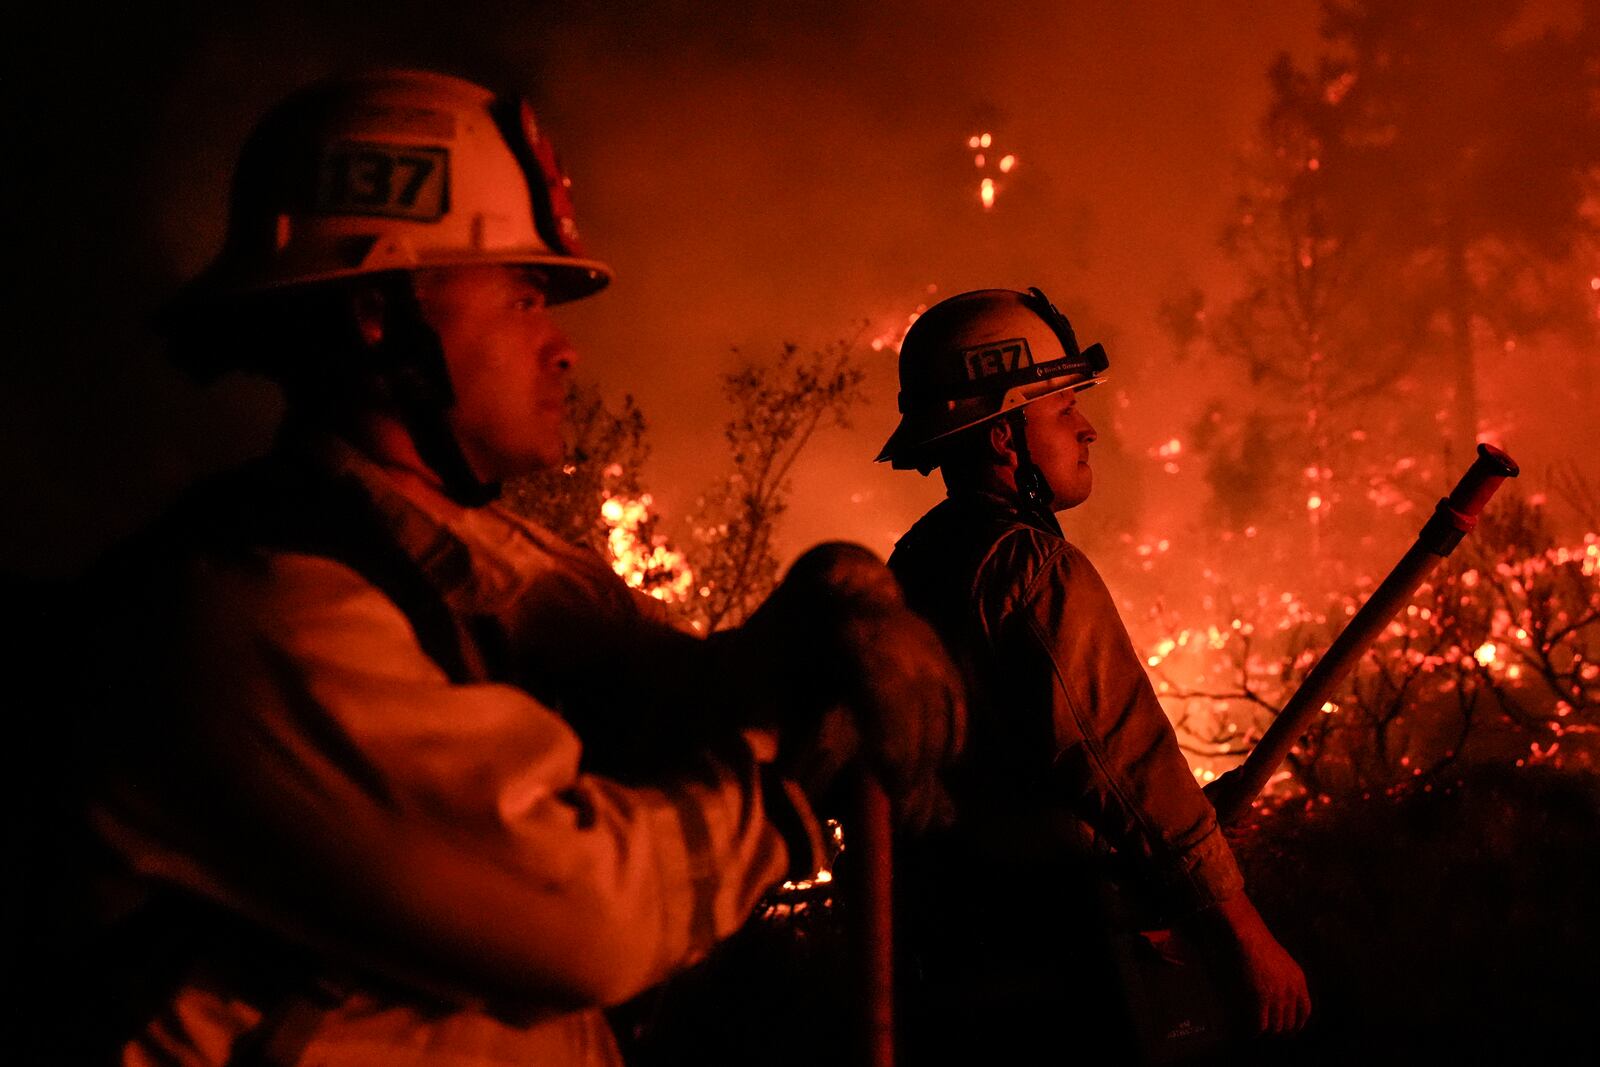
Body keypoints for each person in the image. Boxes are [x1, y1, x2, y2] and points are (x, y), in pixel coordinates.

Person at [55, 69, 962, 1066]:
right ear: (377, 312)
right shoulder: (255, 611)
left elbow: (663, 700)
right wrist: (793, 781)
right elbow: (582, 910)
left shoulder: (483, 564)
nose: (563, 348)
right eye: (525, 298)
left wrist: (831, 600)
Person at [876, 287, 1310, 1060]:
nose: (1088, 427)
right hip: (1056, 959)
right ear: (1007, 437)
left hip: (945, 963)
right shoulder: (1033, 570)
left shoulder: (918, 560)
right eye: (1062, 405)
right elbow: (1125, 767)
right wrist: (1243, 933)